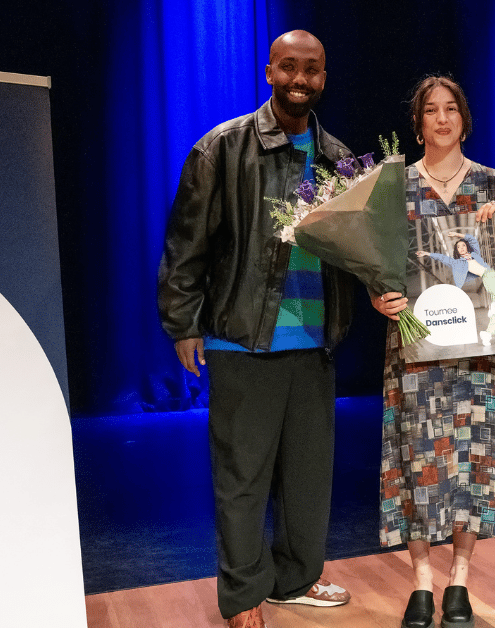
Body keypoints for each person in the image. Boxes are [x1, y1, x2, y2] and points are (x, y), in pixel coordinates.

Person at [157, 30, 353, 628]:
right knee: (242, 478)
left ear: (324, 76)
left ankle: (294, 579)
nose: (300, 79)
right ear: (269, 71)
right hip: (242, 337)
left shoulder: (340, 158)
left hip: (314, 343)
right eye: (289, 67)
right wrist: (182, 322)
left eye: (312, 69)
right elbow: (187, 244)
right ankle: (242, 596)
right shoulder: (222, 148)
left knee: (307, 477)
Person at [372, 75, 495, 628]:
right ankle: (422, 584)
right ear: (418, 121)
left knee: (473, 461)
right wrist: (379, 295)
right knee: (417, 460)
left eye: (451, 108)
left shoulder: (492, 183)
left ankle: (460, 580)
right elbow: (376, 262)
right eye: (430, 110)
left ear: (464, 118)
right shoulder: (393, 188)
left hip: (477, 352)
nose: (441, 119)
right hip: (415, 345)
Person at [416, 231, 495, 344]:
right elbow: (442, 258)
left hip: (492, 276)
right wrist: (427, 254)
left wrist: (458, 235)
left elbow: (472, 239)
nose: (461, 248)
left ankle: (488, 334)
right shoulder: (457, 263)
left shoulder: (475, 253)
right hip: (489, 278)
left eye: (463, 245)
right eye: (458, 247)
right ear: (457, 250)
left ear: (467, 247)